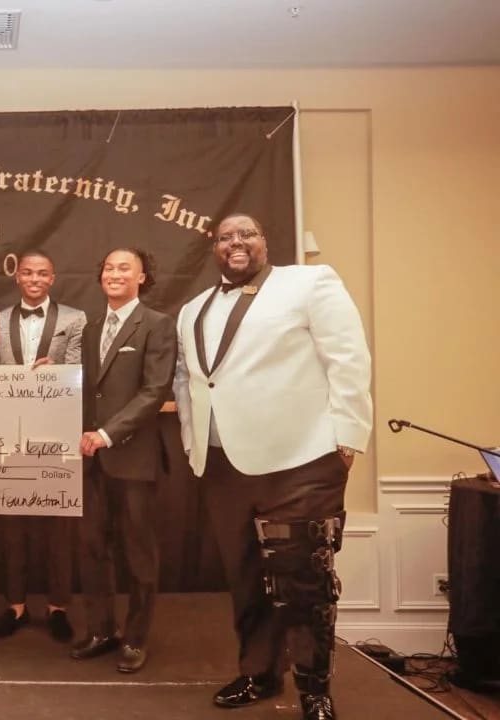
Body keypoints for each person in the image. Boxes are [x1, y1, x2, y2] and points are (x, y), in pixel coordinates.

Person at [173, 213, 372, 720]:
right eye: (225, 237)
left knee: (304, 582)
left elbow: (348, 358)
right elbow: (189, 381)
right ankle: (259, 673)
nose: (236, 242)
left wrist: (347, 438)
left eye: (247, 233)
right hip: (222, 466)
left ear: (264, 241)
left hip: (301, 462)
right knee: (245, 579)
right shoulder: (192, 309)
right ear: (214, 248)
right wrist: (195, 444)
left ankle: (315, 690)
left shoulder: (310, 283)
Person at [71, 248, 176, 674]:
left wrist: (108, 434)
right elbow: (88, 388)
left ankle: (135, 637)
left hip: (133, 458)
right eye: (108, 268)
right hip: (91, 460)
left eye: (124, 268)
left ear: (142, 277)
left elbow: (154, 391)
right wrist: (51, 376)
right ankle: (101, 630)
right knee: (92, 548)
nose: (114, 274)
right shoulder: (92, 328)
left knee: (138, 553)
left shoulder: (157, 324)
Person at [0, 250, 85, 643]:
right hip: (10, 432)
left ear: (52, 278)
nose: (34, 279)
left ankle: (58, 607)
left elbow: (79, 371)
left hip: (57, 433)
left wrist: (57, 373)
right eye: (27, 273)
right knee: (12, 525)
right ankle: (15, 605)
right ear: (17, 277)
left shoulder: (75, 319)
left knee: (59, 526)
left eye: (42, 273)